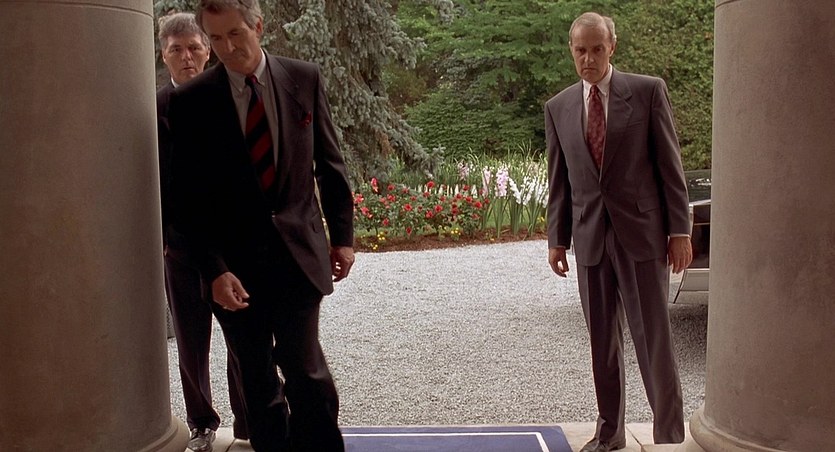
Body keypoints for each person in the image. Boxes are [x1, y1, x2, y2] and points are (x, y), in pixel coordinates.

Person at [168, 1, 355, 450]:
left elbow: (330, 165)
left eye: (235, 34)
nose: (227, 47)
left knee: (306, 372)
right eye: (216, 38)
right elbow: (186, 199)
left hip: (298, 256)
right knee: (257, 382)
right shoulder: (191, 101)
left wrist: (343, 239)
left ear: (258, 26)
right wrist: (214, 270)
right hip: (233, 270)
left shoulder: (303, 78)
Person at [544, 12, 693, 452]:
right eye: (581, 50)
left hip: (642, 236)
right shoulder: (558, 107)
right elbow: (559, 182)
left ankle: (669, 436)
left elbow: (670, 168)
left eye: (597, 49)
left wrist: (679, 231)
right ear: (571, 50)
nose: (588, 59)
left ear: (612, 46)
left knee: (653, 339)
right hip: (590, 240)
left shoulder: (647, 93)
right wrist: (557, 239)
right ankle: (609, 434)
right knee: (602, 344)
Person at [156, 12, 248, 452]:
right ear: (164, 55)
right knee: (191, 343)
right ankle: (201, 424)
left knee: (242, 337)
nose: (186, 57)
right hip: (179, 248)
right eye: (176, 50)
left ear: (208, 50)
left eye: (194, 47)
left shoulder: (231, 99)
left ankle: (248, 420)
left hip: (231, 246)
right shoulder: (152, 108)